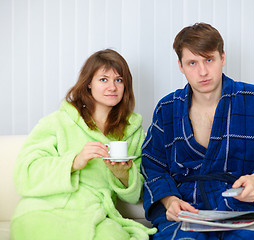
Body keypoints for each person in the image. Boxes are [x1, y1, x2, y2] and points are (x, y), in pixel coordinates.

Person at [141, 23, 254, 239]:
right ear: (180, 66)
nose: (203, 72)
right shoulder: (167, 108)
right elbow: (152, 164)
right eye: (192, 63)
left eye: (209, 60)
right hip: (187, 208)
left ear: (222, 58)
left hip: (237, 204)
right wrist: (170, 200)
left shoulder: (252, 99)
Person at [11, 49, 156, 240]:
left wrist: (123, 176)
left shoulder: (133, 131)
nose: (112, 87)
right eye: (103, 79)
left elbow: (136, 195)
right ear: (88, 84)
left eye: (119, 80)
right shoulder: (58, 122)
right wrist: (73, 162)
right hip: (45, 208)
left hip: (93, 212)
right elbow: (25, 174)